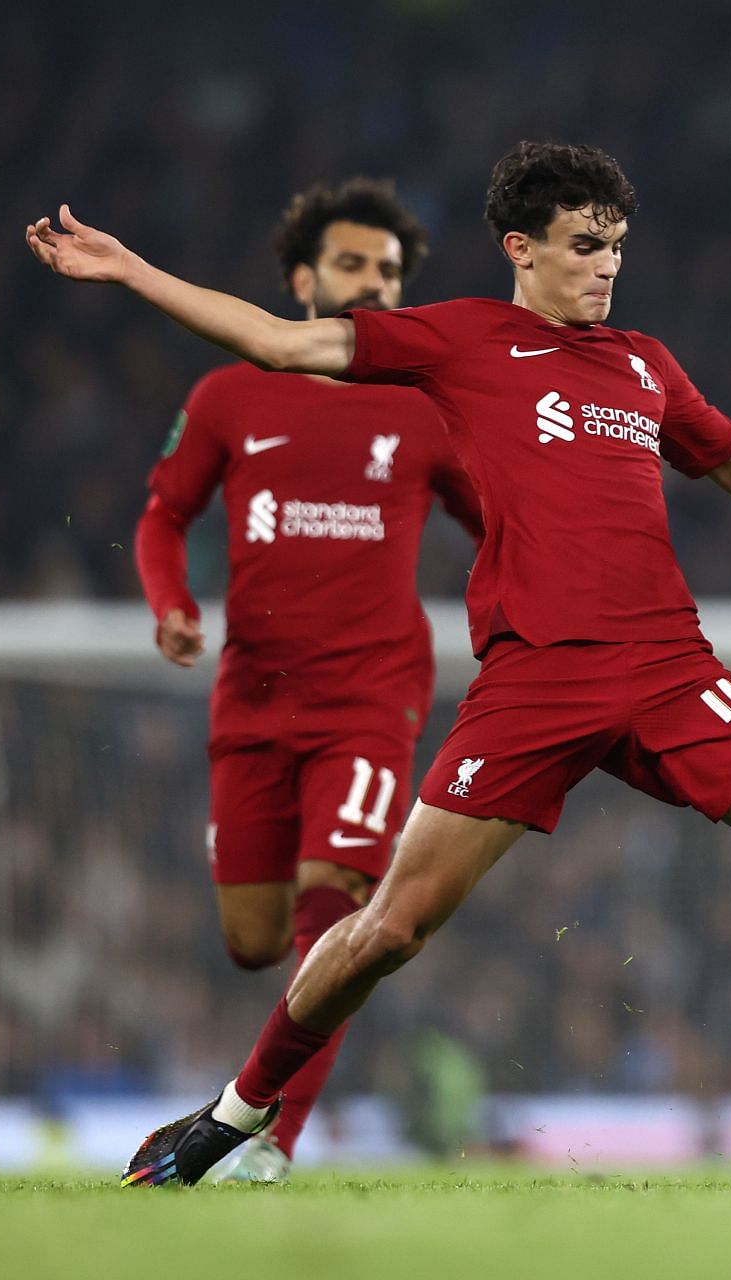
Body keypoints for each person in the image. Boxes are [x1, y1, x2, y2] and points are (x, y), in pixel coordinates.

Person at [26, 141, 731, 1187]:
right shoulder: (458, 339)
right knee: (386, 930)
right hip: (536, 680)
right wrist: (132, 271)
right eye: (586, 247)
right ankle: (235, 1115)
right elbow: (283, 340)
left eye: (618, 248)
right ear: (521, 248)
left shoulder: (642, 364)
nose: (605, 269)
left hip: (670, 669)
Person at [132, 178, 483, 1181]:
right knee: (254, 938)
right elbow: (162, 513)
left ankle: (267, 1140)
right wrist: (170, 600)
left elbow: (501, 525)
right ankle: (265, 1108)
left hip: (373, 699)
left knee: (337, 902)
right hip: (250, 698)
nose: (373, 283)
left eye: (388, 271)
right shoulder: (231, 394)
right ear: (301, 278)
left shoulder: (425, 410)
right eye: (352, 265)